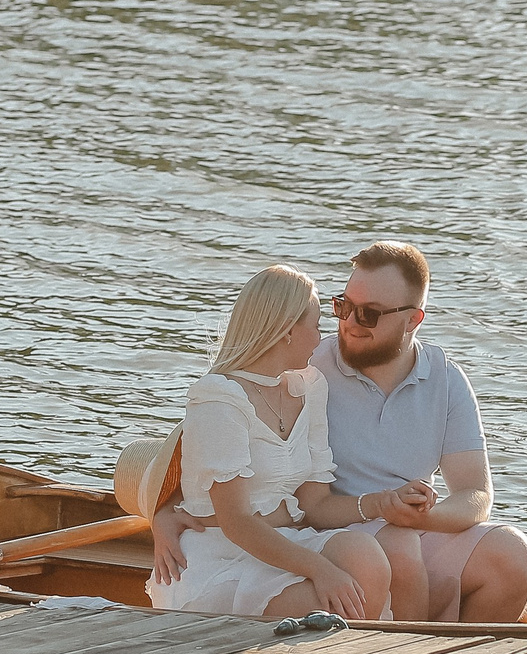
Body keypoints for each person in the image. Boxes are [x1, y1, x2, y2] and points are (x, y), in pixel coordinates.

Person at [154, 242, 527, 623]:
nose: (348, 324)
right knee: (398, 551)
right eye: (343, 307)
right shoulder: (304, 363)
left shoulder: (446, 379)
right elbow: (205, 447)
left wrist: (413, 515)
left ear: (412, 320)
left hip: (396, 527)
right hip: (329, 530)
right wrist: (163, 511)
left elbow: (475, 494)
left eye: (369, 314)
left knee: (514, 557)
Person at [144, 265, 395, 620]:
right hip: (223, 554)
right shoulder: (218, 398)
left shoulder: (309, 387)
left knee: (366, 557)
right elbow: (237, 523)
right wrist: (321, 570)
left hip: (289, 539)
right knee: (323, 602)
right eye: (316, 324)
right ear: (287, 331)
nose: (321, 337)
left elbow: (315, 504)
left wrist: (383, 503)